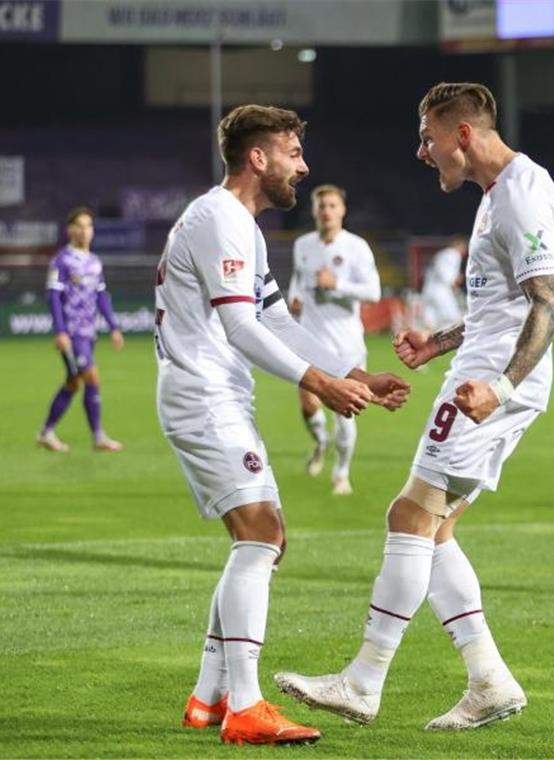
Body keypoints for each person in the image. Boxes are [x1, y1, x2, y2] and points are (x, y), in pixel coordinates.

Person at [274, 82, 554, 731]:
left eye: (428, 137)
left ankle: (363, 681)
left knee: (410, 513)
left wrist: (503, 387)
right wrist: (435, 343)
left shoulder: (520, 193)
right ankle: (489, 680)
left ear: (462, 134)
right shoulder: (502, 195)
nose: (421, 151)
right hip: (485, 372)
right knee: (434, 527)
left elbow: (551, 303)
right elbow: (506, 306)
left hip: (488, 384)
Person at [155, 104, 411, 746]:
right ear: (258, 158)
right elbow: (241, 328)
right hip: (203, 395)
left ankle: (208, 697)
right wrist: (319, 384)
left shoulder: (240, 225)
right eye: (294, 152)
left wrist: (353, 370)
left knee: (263, 537)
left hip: (217, 396)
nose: (305, 165)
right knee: (262, 534)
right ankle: (244, 705)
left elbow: (276, 321)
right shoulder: (219, 218)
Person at [287, 184, 381, 495]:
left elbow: (373, 292)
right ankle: (320, 442)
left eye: (332, 205)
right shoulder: (303, 245)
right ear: (314, 211)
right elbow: (298, 280)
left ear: (342, 211)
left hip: (346, 346)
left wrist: (336, 284)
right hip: (310, 341)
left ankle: (341, 472)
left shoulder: (357, 247)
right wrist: (294, 298)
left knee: (345, 413)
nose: (326, 211)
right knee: (306, 404)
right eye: (321, 206)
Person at [36, 207, 125, 453]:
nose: (85, 231)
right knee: (91, 377)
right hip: (72, 332)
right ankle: (98, 437)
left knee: (74, 383)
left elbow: (101, 295)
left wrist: (114, 327)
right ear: (70, 230)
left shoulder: (95, 262)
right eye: (80, 226)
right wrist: (60, 331)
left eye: (89, 226)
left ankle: (46, 433)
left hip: (89, 333)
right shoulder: (61, 260)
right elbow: (53, 296)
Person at [421, 236, 467, 330]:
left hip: (428, 289)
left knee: (431, 322)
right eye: (464, 248)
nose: (464, 251)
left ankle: (426, 342)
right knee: (453, 318)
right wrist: (456, 281)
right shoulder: (454, 254)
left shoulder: (440, 253)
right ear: (459, 246)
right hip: (441, 290)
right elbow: (447, 275)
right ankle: (448, 342)